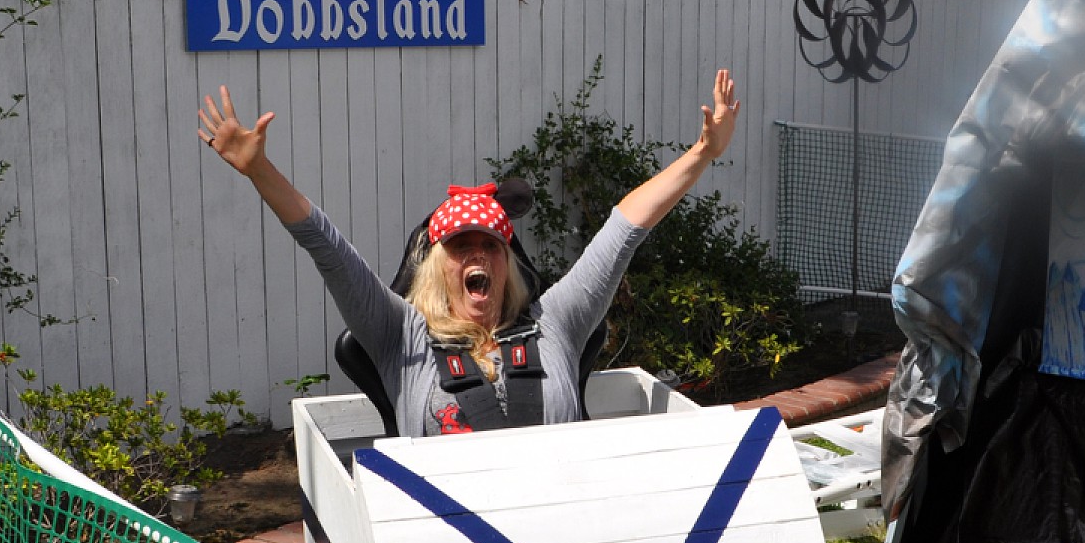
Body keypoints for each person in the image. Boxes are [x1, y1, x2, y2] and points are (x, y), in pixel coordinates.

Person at [199, 70, 740, 437]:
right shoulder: (399, 335)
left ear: (506, 261)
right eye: (461, 246)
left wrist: (703, 153)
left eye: (491, 244)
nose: (477, 254)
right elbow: (327, 247)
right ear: (438, 266)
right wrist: (259, 170)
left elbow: (624, 228)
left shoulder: (556, 324)